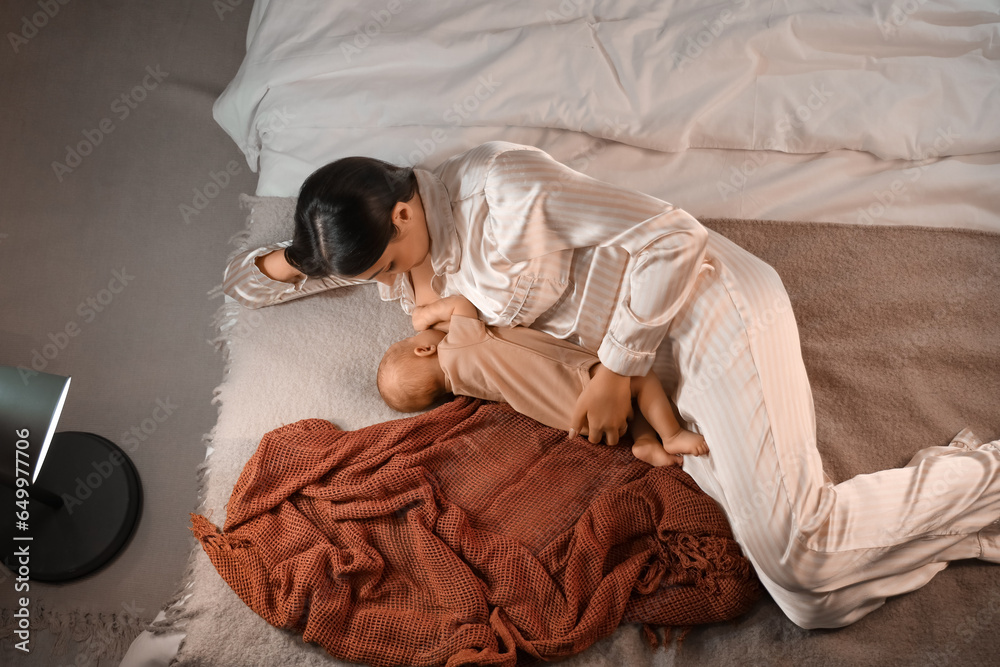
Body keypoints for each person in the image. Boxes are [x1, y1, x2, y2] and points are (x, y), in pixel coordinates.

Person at [223, 140, 1000, 629]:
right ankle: (975, 514)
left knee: (801, 556)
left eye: (389, 268)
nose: (391, 288)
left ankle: (988, 474)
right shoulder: (373, 240)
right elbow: (243, 285)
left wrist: (620, 369)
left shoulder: (504, 186)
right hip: (656, 374)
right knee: (811, 599)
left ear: (402, 211)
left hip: (704, 309)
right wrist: (301, 256)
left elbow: (675, 237)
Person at [377, 293, 709, 467]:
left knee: (630, 404)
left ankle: (644, 443)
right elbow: (461, 303)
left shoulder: (462, 384)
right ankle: (671, 434)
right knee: (636, 376)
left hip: (563, 415)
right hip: (573, 380)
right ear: (424, 349)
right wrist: (427, 314)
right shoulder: (457, 345)